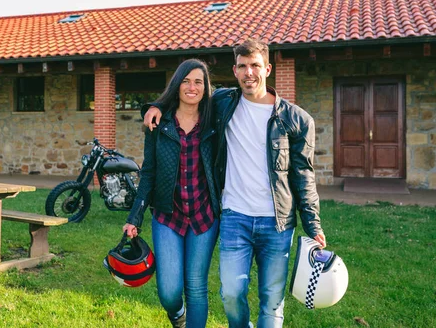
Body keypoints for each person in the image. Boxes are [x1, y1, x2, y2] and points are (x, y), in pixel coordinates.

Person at [143, 39, 326, 328]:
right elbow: (189, 94)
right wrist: (156, 105)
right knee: (230, 294)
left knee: (271, 301)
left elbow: (304, 176)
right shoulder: (223, 103)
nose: (249, 73)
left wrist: (313, 226)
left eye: (255, 65)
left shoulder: (296, 120)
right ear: (235, 70)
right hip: (234, 216)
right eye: (242, 66)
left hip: (276, 223)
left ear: (267, 69)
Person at [123, 59, 220, 328]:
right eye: (186, 81)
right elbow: (149, 173)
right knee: (168, 291)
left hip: (204, 217)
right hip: (168, 216)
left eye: (198, 82)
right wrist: (135, 217)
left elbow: (235, 95)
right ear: (176, 85)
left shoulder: (214, 121)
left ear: (205, 87)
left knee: (197, 287)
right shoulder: (159, 124)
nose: (192, 87)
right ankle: (178, 315)